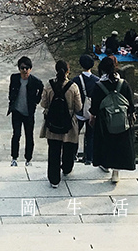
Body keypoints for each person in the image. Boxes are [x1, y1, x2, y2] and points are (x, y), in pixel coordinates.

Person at [92, 55, 136, 182]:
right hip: (122, 120)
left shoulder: (99, 86)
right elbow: (130, 103)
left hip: (104, 121)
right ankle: (116, 172)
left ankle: (106, 164)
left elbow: (94, 106)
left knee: (107, 144)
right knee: (119, 145)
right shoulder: (124, 84)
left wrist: (92, 116)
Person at [39, 59, 83, 188]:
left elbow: (43, 104)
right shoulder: (73, 87)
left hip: (52, 123)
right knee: (69, 148)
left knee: (54, 151)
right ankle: (67, 168)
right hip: (68, 122)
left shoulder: (49, 85)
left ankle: (54, 179)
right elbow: (78, 107)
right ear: (68, 71)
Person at [7, 55, 44, 167]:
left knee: (29, 136)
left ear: (30, 69)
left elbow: (41, 88)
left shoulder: (35, 81)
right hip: (17, 111)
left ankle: (28, 159)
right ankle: (14, 158)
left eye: (27, 68)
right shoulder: (14, 78)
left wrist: (36, 101)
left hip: (28, 113)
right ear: (19, 68)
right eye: (22, 68)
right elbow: (11, 91)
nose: (25, 70)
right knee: (16, 134)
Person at [72, 54, 99, 165]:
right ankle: (89, 158)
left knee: (74, 134)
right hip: (91, 112)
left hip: (79, 112)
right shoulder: (97, 80)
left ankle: (73, 155)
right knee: (90, 136)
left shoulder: (76, 80)